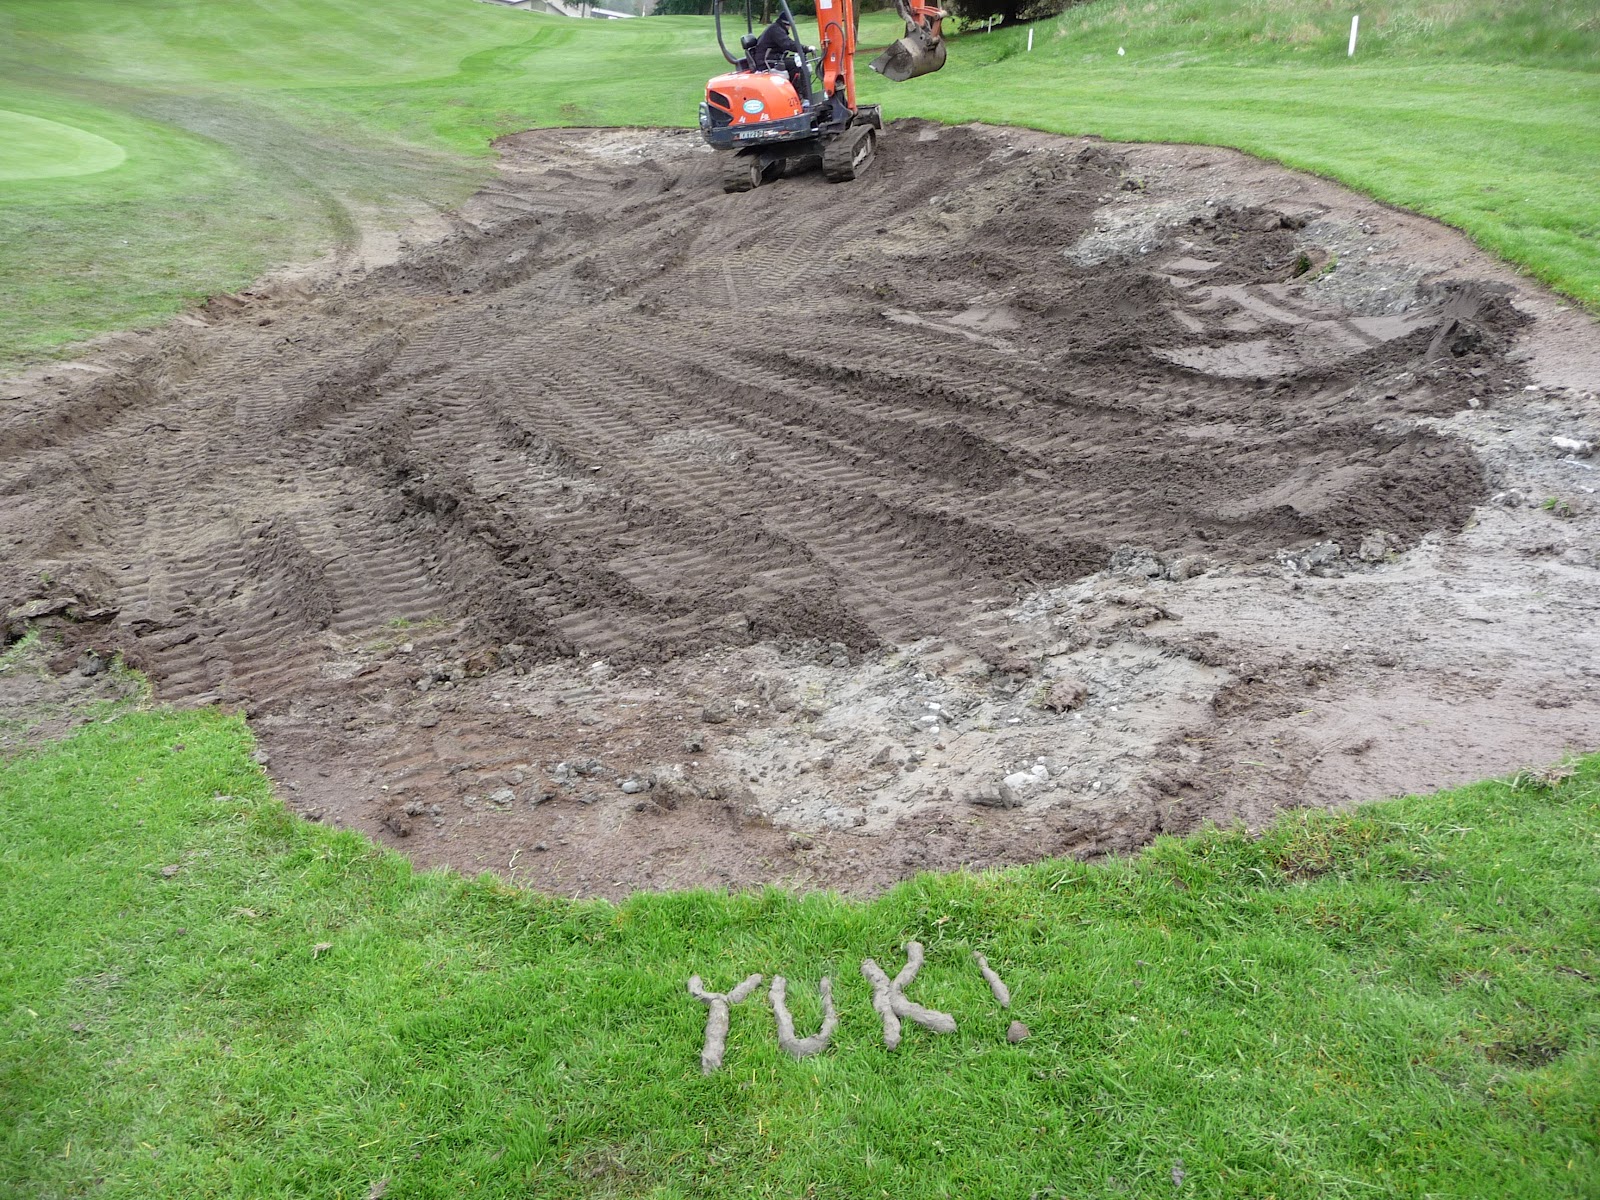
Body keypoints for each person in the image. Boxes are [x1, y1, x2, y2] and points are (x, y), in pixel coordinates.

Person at [750, 15, 807, 96]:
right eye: (790, 25)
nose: (790, 28)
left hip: (771, 58)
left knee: (795, 62)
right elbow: (788, 44)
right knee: (796, 65)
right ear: (786, 23)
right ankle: (798, 94)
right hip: (766, 62)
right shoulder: (776, 30)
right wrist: (805, 48)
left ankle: (796, 93)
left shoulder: (777, 28)